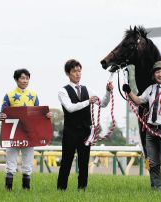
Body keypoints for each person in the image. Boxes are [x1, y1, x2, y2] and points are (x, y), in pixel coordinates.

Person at [123, 61, 161, 191]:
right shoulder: (150, 89)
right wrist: (129, 91)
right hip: (151, 130)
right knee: (153, 163)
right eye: (157, 72)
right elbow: (138, 101)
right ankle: (156, 190)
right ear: (154, 74)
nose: (160, 74)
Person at [57, 59, 113, 191]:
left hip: (85, 131)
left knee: (83, 162)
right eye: (74, 71)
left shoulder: (87, 89)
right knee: (66, 161)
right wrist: (88, 101)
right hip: (70, 131)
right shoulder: (63, 91)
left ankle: (82, 188)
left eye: (79, 70)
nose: (77, 74)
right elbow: (70, 108)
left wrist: (108, 92)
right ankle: (61, 189)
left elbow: (103, 103)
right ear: (68, 73)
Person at [0, 68, 52, 191]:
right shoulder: (9, 95)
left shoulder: (33, 95)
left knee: (28, 162)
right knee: (11, 162)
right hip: (13, 134)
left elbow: (38, 113)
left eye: (27, 78)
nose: (25, 80)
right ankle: (8, 189)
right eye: (22, 78)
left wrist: (46, 115)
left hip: (29, 134)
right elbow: (2, 113)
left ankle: (26, 189)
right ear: (16, 79)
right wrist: (1, 116)